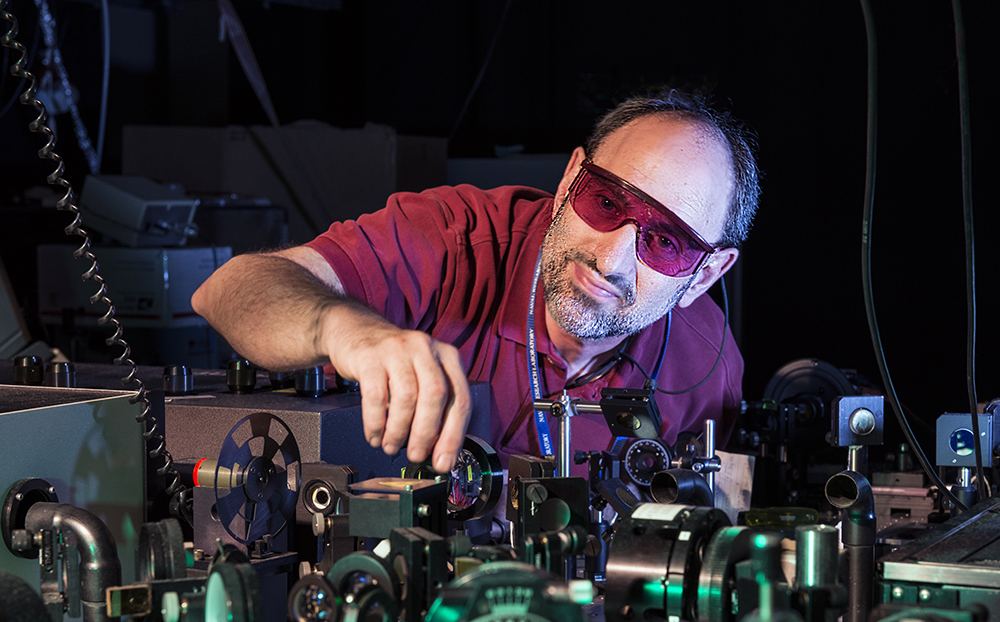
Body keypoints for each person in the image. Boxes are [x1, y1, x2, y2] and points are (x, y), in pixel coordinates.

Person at [191, 89, 759, 477]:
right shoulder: (454, 240)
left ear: (705, 275)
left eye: (665, 243)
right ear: (567, 182)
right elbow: (225, 289)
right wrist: (346, 330)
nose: (611, 258)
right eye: (605, 202)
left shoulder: (708, 368)